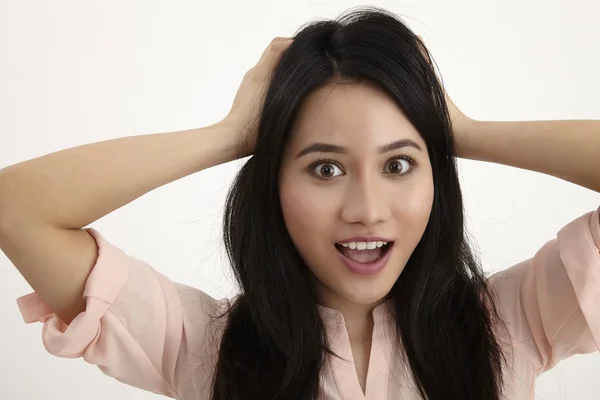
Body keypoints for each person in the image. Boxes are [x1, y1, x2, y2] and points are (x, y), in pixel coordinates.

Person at [0, 6, 598, 400]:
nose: (366, 208)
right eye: (326, 168)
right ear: (275, 185)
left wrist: (456, 129)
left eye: (398, 164)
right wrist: (231, 135)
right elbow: (16, 207)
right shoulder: (202, 345)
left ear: (436, 178)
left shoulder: (514, 322)